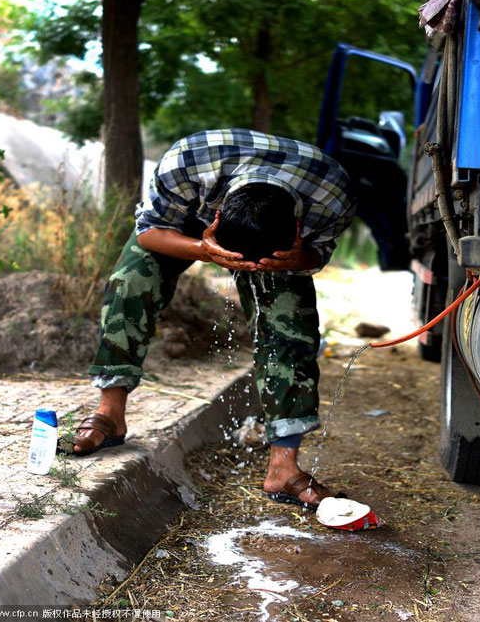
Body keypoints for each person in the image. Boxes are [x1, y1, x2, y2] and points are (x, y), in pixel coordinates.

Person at [69, 128, 356, 509]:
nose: (247, 269)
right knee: (130, 282)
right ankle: (110, 414)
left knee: (291, 323)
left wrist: (298, 258)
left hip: (281, 240)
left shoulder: (332, 196)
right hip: (189, 218)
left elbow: (318, 256)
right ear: (218, 216)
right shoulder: (185, 165)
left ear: (298, 227)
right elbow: (149, 232)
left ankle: (283, 469)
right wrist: (202, 249)